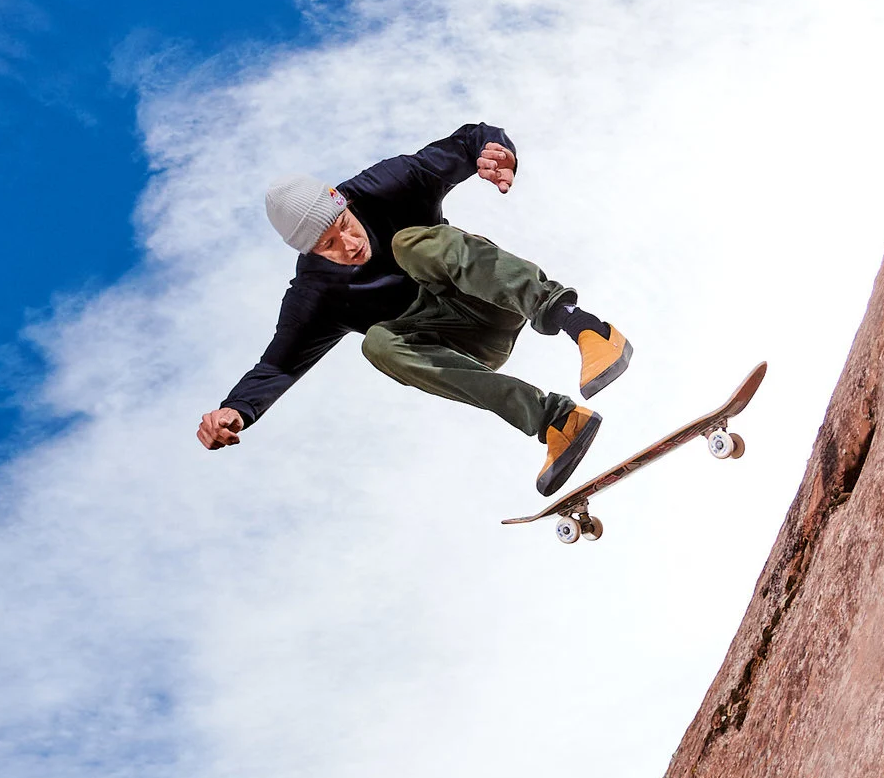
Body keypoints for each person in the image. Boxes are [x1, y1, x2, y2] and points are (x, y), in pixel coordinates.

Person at [195, 123, 631, 497]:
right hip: (465, 344)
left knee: (412, 243)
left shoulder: (388, 184)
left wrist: (494, 153)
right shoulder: (315, 294)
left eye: (344, 228)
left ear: (343, 203)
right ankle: (558, 422)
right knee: (378, 344)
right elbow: (277, 365)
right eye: (327, 246)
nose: (348, 247)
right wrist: (236, 410)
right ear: (308, 251)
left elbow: (468, 141)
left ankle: (586, 328)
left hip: (489, 293)